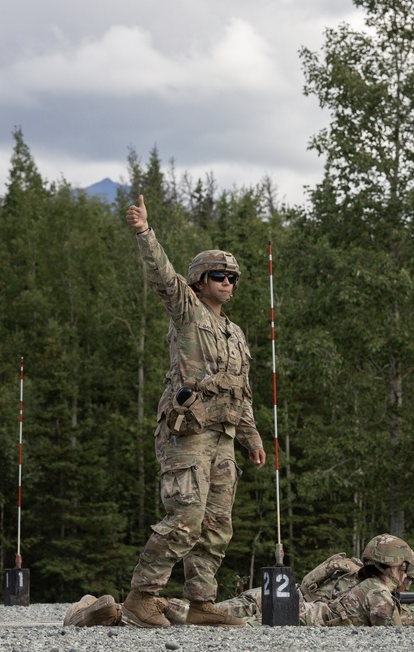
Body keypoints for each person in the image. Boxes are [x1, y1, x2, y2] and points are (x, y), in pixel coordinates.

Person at [121, 195, 267, 628]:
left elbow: (241, 393)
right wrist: (146, 233)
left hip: (223, 437)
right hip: (187, 434)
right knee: (186, 517)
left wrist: (252, 438)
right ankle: (141, 596)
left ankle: (202, 604)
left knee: (218, 524)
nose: (228, 283)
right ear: (200, 281)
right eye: (219, 276)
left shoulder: (235, 333)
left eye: (233, 278)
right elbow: (162, 276)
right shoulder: (187, 313)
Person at [64, 534, 414, 628]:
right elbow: (391, 625)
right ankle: (129, 616)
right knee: (197, 623)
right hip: (292, 616)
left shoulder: (347, 570)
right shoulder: (379, 592)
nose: (406, 580)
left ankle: (100, 611)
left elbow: (308, 584)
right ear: (396, 567)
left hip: (279, 596)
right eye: (405, 572)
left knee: (202, 614)